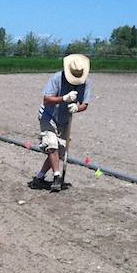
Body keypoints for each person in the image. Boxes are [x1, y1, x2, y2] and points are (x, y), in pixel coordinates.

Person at [30, 54, 93, 192]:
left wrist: (77, 108)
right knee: (51, 145)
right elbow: (46, 99)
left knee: (58, 152)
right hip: (48, 116)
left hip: (64, 120)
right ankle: (57, 177)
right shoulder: (57, 78)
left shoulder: (86, 83)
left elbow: (85, 104)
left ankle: (39, 177)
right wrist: (64, 98)